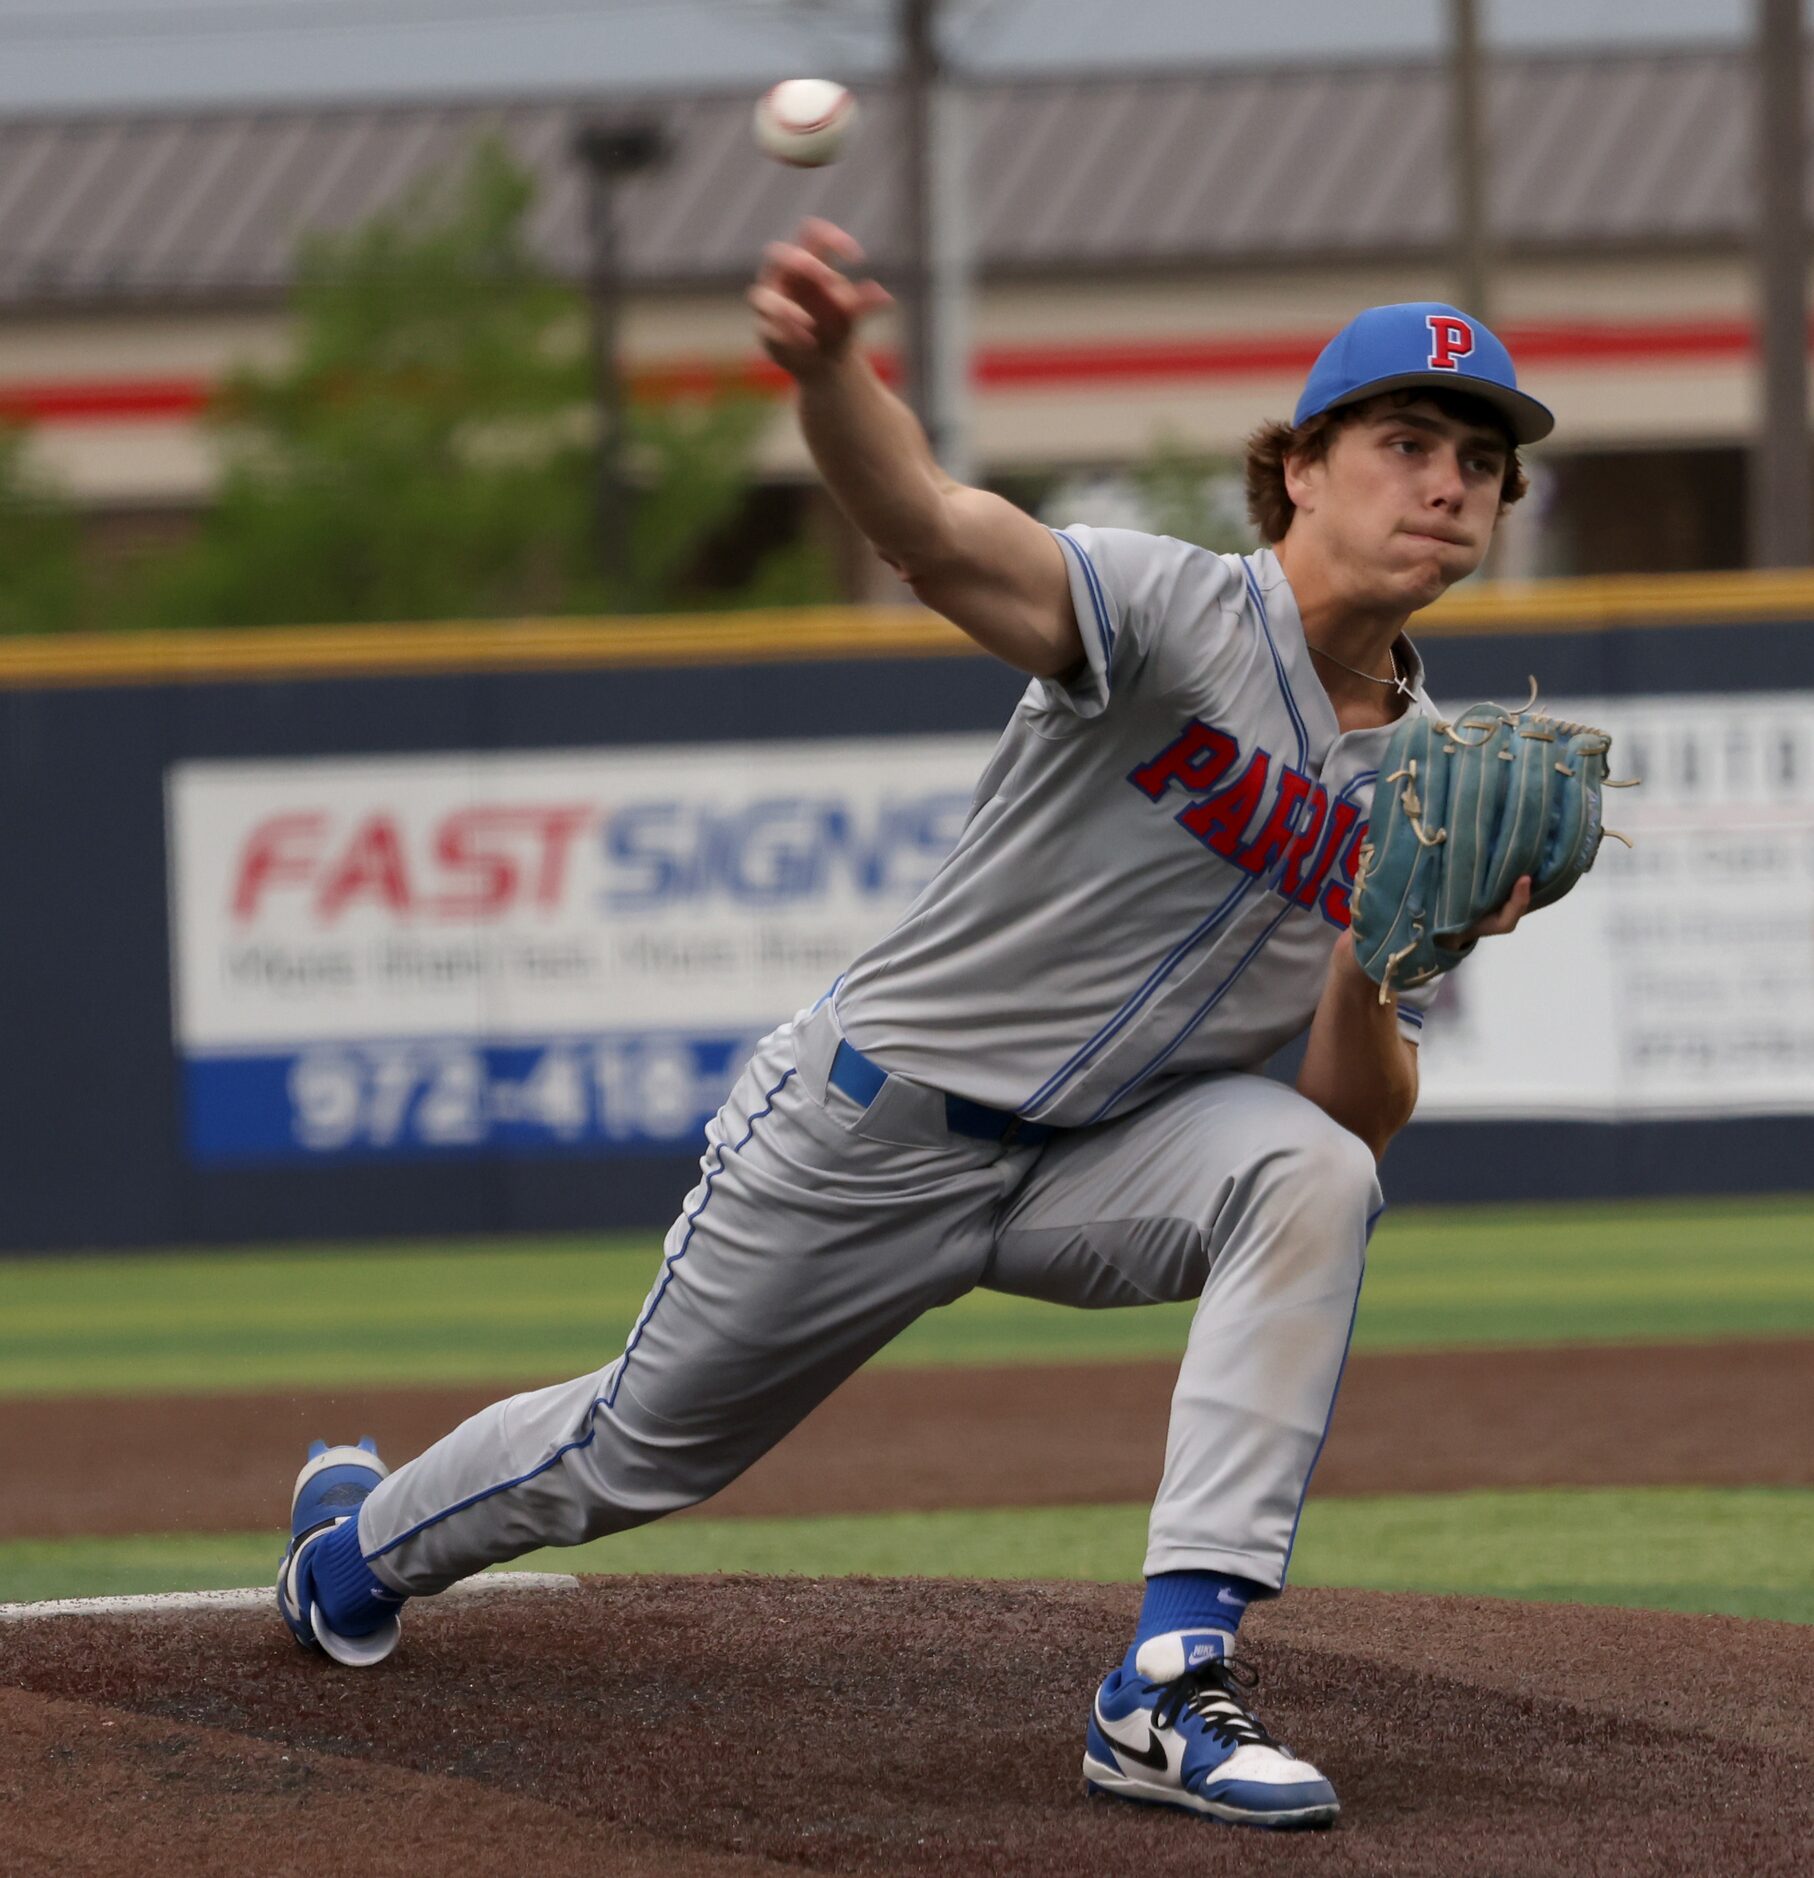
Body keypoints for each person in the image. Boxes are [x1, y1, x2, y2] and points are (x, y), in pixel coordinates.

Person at [277, 219, 1553, 1831]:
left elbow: (1351, 1116)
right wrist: (828, 376)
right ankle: (351, 1544)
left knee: (1306, 1174)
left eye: (1478, 462)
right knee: (631, 1454)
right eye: (1404, 442)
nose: (1445, 482)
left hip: (1103, 1161)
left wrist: (1382, 949)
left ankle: (1169, 1677)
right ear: (1299, 469)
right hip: (875, 1130)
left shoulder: (1438, 789)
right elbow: (938, 535)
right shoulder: (1170, 615)